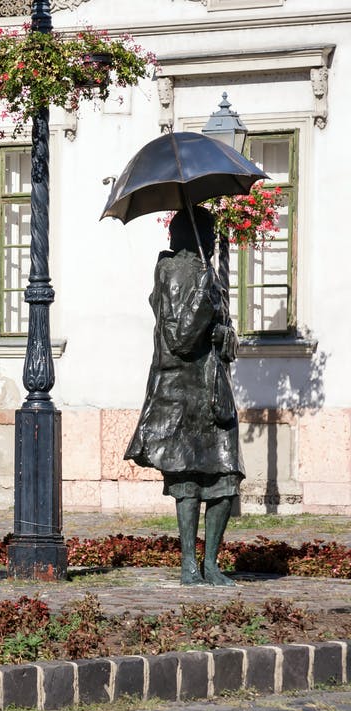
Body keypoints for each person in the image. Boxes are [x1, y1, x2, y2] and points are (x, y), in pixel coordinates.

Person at [125, 207, 244, 586]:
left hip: (213, 391)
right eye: (209, 233)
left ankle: (211, 564)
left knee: (225, 479)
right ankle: (190, 565)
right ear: (194, 236)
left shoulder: (210, 275)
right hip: (181, 391)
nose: (213, 240)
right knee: (188, 480)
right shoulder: (172, 271)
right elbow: (180, 338)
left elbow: (227, 339)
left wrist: (224, 335)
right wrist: (205, 298)